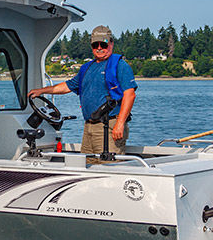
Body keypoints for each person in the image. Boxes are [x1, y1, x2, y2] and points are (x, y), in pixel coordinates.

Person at [29, 25, 137, 163]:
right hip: (89, 127)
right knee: (87, 165)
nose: (99, 48)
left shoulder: (121, 66)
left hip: (110, 127)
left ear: (111, 43)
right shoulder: (86, 68)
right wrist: (42, 91)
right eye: (95, 45)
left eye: (103, 44)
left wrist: (120, 124)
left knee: (110, 167)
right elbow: (67, 86)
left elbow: (130, 95)